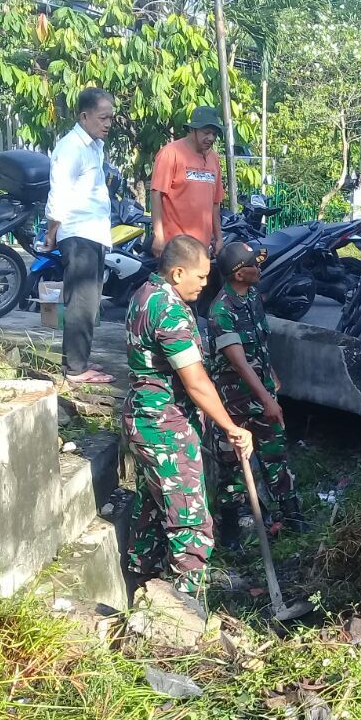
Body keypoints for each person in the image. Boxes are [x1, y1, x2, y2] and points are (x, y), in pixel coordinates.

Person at [124, 234, 253, 593]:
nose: (205, 283)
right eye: (200, 276)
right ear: (178, 273)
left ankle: (143, 582)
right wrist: (232, 427)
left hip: (144, 418)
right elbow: (195, 382)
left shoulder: (144, 293)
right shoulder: (170, 311)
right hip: (164, 425)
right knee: (190, 521)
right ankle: (183, 610)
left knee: (151, 506)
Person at [205, 241, 304, 549]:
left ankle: (293, 517)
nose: (259, 269)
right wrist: (268, 400)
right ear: (238, 273)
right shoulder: (221, 310)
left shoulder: (252, 299)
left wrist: (271, 373)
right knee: (232, 466)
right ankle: (231, 531)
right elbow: (239, 362)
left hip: (261, 393)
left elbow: (259, 347)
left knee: (275, 454)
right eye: (253, 265)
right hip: (234, 402)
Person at [44, 87, 116, 385]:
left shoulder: (93, 147)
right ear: (84, 116)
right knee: (81, 302)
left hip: (93, 233)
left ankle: (79, 359)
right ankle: (75, 369)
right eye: (103, 117)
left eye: (111, 117)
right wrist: (51, 232)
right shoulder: (71, 147)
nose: (108, 123)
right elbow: (58, 192)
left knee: (90, 302)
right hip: (79, 234)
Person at [151, 107, 225, 255]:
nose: (211, 138)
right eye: (206, 133)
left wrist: (219, 238)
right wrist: (158, 235)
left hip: (202, 247)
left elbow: (215, 203)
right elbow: (156, 194)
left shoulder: (213, 158)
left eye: (214, 134)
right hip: (175, 245)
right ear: (192, 130)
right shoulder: (171, 153)